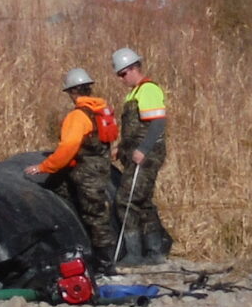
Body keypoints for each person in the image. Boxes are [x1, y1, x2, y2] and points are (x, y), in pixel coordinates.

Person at [26, 66, 118, 266]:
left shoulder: (77, 116)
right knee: (96, 211)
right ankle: (100, 257)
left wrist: (44, 167)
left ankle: (105, 263)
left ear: (73, 91)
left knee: (94, 215)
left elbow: (67, 148)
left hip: (85, 173)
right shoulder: (101, 109)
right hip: (102, 168)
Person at [111, 46, 172, 265]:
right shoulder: (133, 93)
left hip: (147, 154)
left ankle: (134, 254)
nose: (121, 78)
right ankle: (155, 252)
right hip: (135, 152)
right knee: (143, 200)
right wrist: (120, 146)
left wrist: (143, 150)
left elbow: (157, 124)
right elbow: (133, 128)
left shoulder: (149, 90)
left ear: (134, 68)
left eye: (123, 73)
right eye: (119, 75)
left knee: (125, 200)